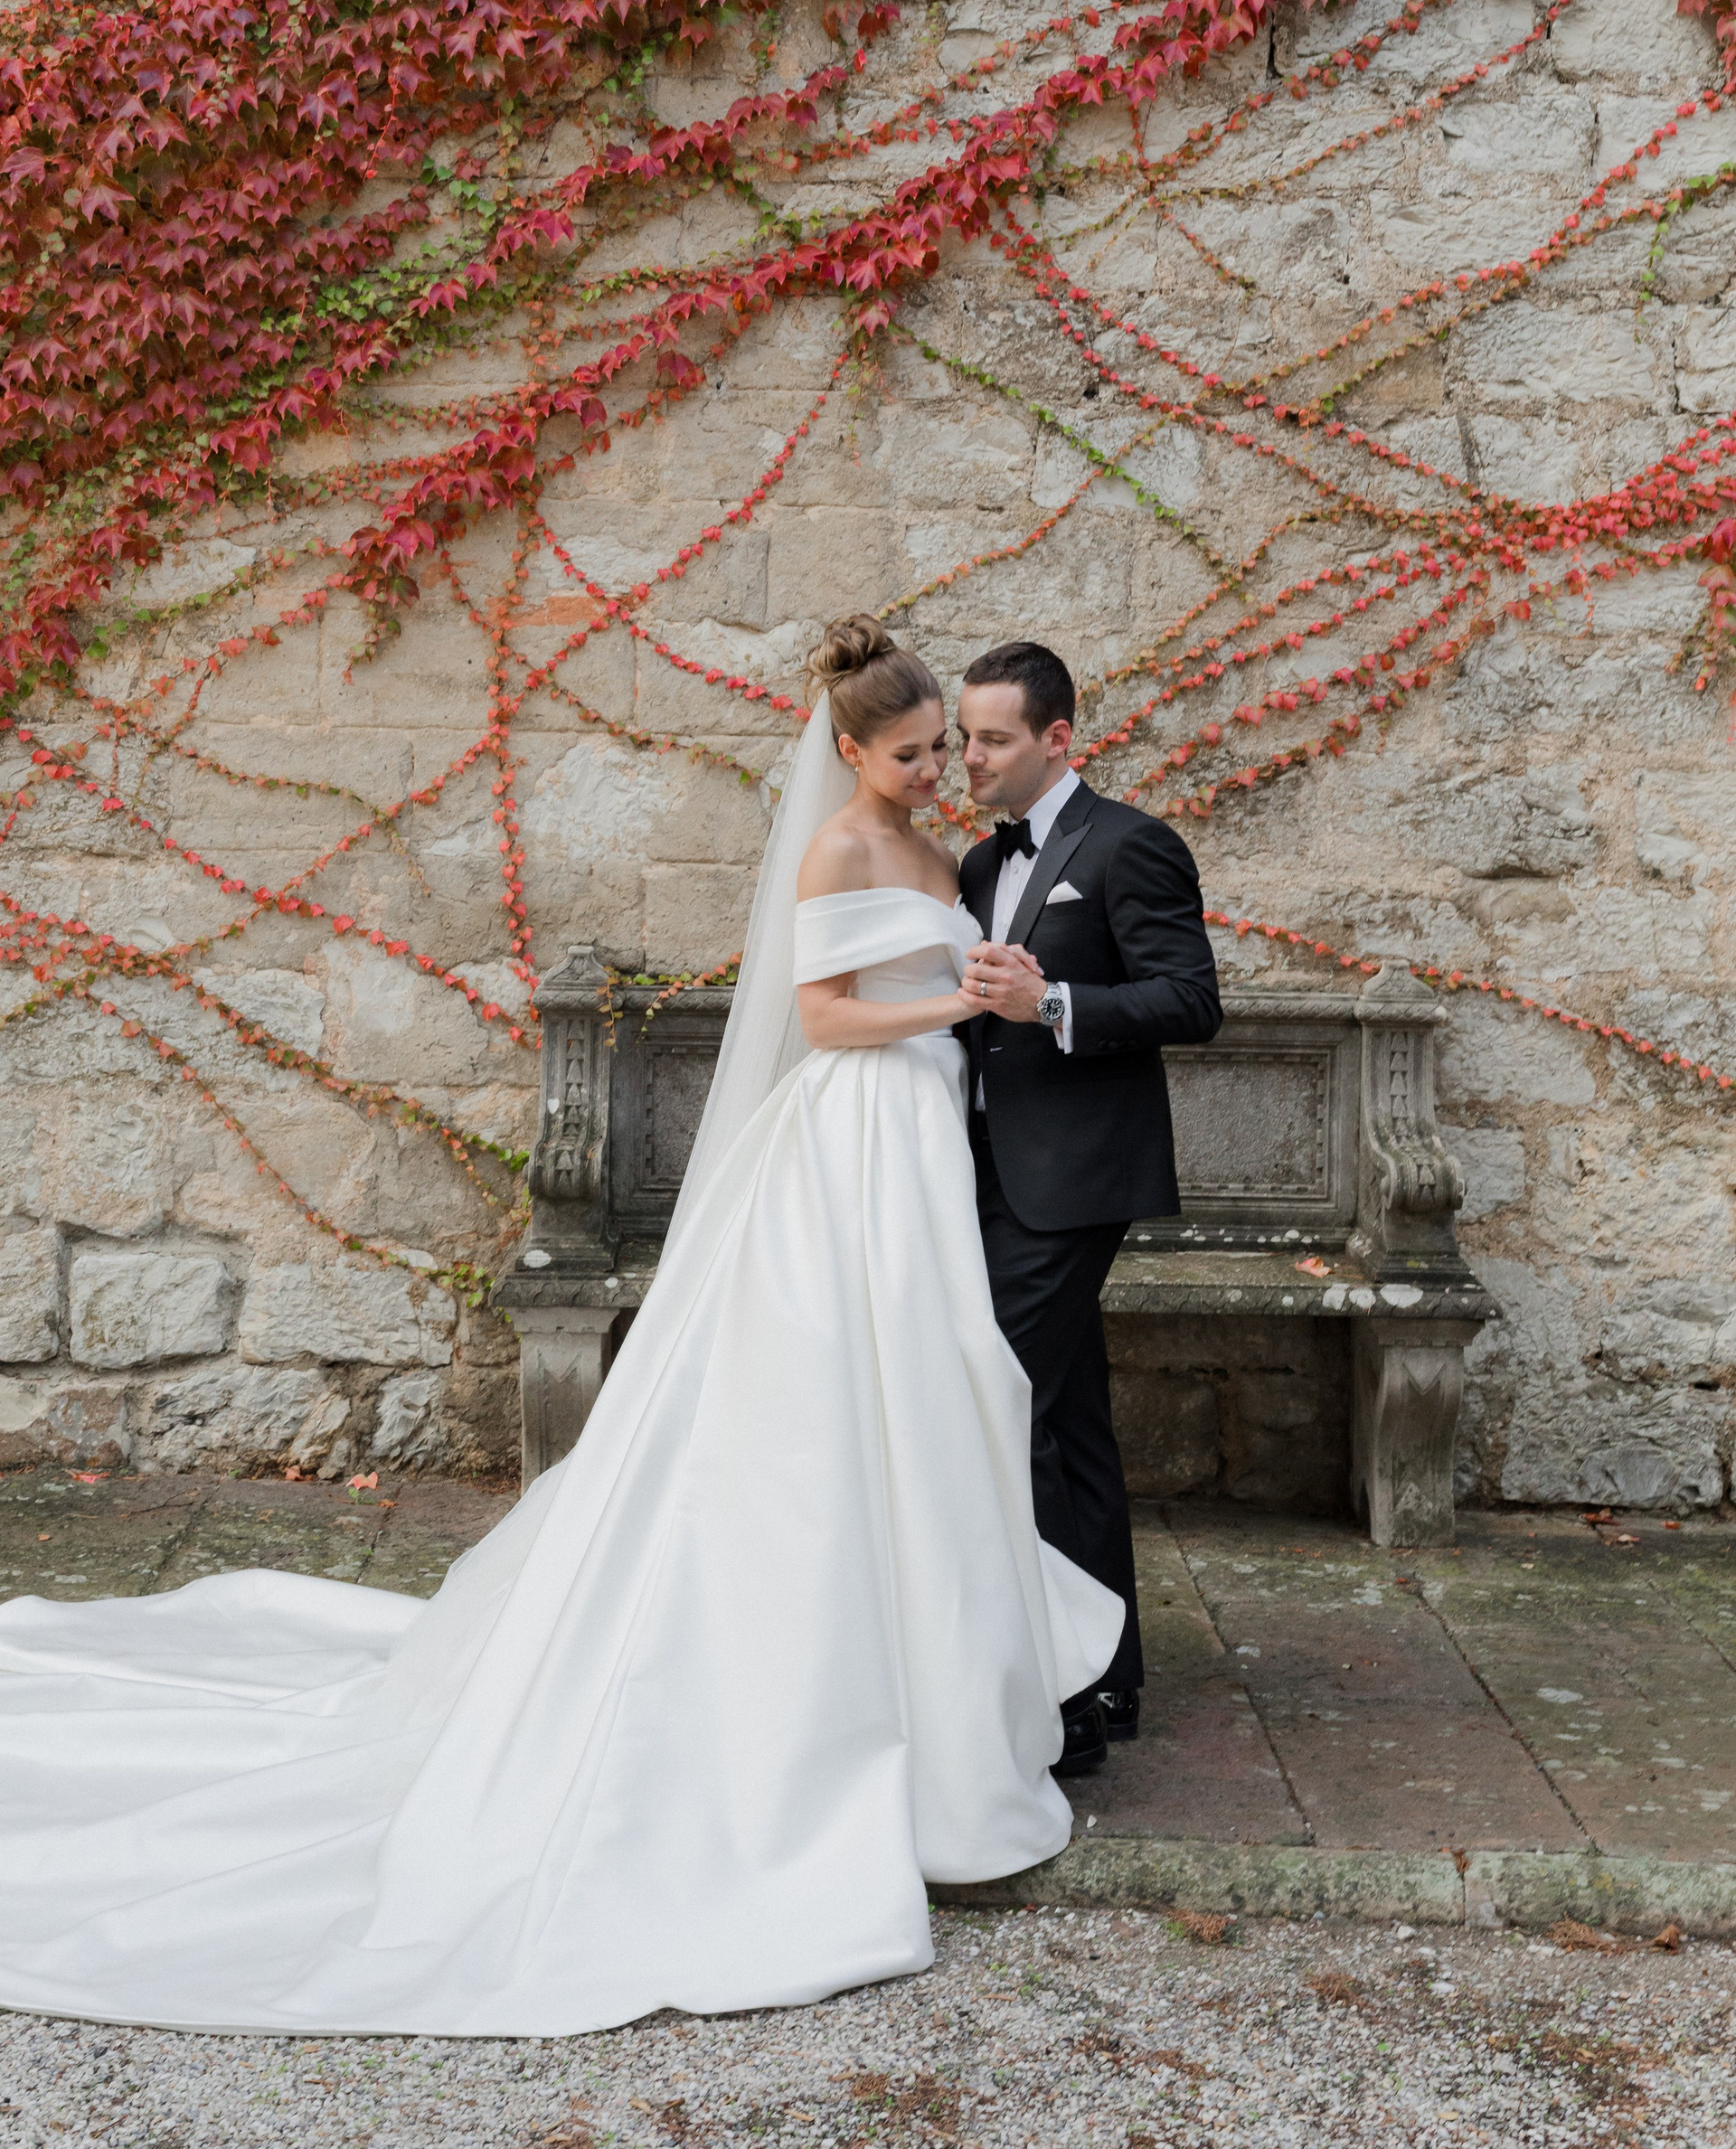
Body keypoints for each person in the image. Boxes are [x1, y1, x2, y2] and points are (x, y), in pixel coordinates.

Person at [0, 616, 1119, 2038]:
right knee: (829, 1404)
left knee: (936, 1392)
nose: (933, 771)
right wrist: (947, 1004)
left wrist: (980, 1005)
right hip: (851, 1137)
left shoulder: (945, 856)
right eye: (908, 754)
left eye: (940, 751)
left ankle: (938, 1687)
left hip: (922, 1148)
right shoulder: (838, 849)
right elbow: (821, 1017)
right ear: (848, 751)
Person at [957, 641, 1222, 1777]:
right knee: (1065, 1414)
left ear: (1058, 738)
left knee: (997, 1397)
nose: (971, 759)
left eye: (994, 739)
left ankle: (1057, 1691)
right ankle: (1107, 1672)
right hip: (982, 1172)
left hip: (1075, 1180)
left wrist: (1052, 999)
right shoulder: (978, 862)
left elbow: (1191, 1000)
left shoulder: (1130, 843)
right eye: (964, 738)